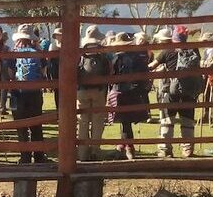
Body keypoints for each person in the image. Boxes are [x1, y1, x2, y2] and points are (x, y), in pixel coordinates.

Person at [158, 25, 201, 158]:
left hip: (171, 91)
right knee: (187, 120)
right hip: (189, 91)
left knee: (167, 120)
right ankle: (187, 149)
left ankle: (166, 149)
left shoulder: (168, 51)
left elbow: (153, 65)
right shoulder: (194, 49)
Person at [110, 32, 150, 160]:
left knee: (124, 120)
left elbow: (112, 76)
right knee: (126, 120)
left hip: (121, 91)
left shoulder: (116, 58)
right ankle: (122, 147)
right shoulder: (138, 57)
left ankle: (129, 148)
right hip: (135, 92)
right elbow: (145, 73)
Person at [11, 24, 46, 164]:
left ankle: (25, 157)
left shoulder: (13, 53)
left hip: (17, 93)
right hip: (35, 93)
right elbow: (43, 72)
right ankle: (39, 156)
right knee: (36, 126)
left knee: (21, 126)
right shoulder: (38, 53)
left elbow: (9, 74)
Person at [77, 26, 109, 161]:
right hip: (99, 91)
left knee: (82, 121)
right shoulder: (102, 55)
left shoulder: (81, 55)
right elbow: (108, 72)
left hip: (82, 91)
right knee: (97, 121)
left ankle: (82, 153)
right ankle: (95, 151)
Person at [47, 27, 62, 109]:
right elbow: (48, 60)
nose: (58, 36)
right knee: (57, 90)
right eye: (57, 35)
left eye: (60, 35)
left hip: (64, 70)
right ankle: (58, 108)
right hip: (54, 70)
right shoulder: (52, 46)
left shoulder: (66, 46)